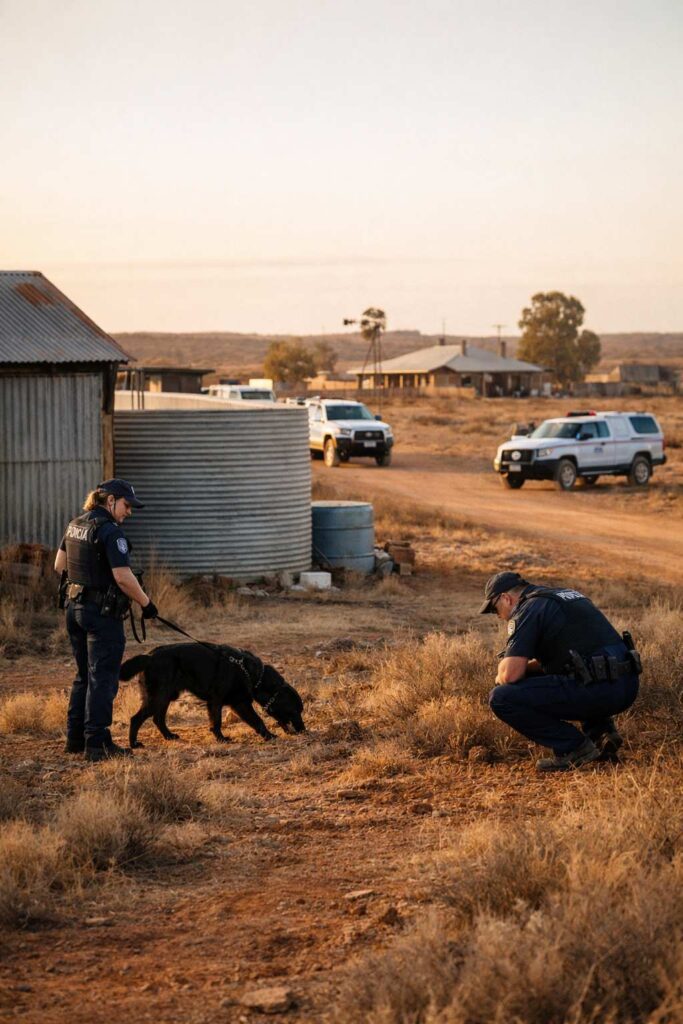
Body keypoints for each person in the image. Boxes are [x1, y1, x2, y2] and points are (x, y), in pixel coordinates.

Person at [481, 571, 640, 772]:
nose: (498, 615)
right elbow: (569, 656)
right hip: (628, 687)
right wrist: (528, 668)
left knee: (501, 697)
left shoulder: (528, 609)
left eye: (494, 609)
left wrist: (501, 674)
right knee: (573, 668)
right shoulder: (565, 595)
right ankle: (601, 733)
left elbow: (509, 675)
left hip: (600, 691)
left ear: (506, 598)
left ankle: (574, 747)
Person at [54, 479, 158, 762]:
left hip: (74, 609)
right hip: (101, 616)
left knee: (83, 676)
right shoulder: (111, 532)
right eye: (127, 505)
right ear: (110, 500)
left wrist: (88, 580)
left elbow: (59, 566)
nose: (129, 512)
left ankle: (75, 739)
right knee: (102, 679)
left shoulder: (75, 524)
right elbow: (123, 577)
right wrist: (147, 604)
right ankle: (97, 744)